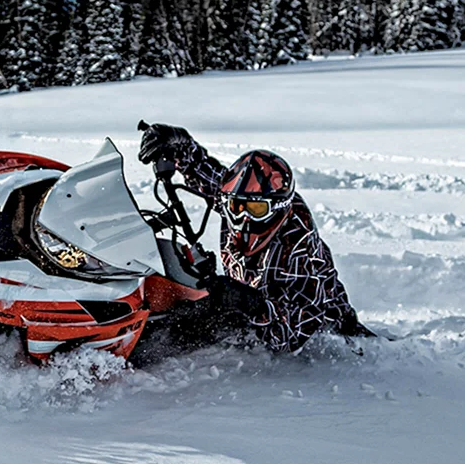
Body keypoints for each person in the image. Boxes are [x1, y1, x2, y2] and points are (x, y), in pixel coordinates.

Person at [137, 122, 372, 355]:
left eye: (256, 210)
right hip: (246, 306)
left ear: (278, 209)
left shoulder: (298, 250)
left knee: (190, 332)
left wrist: (251, 303)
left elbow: (291, 336)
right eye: (236, 207)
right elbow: (204, 172)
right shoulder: (237, 199)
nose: (242, 218)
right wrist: (180, 144)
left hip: (319, 339)